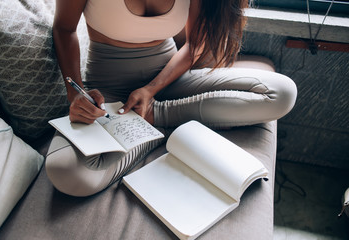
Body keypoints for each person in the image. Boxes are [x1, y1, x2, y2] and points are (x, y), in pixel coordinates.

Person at [46, 0, 297, 197]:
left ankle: (156, 119)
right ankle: (154, 126)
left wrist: (151, 90)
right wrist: (74, 94)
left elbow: (195, 44)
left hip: (170, 80)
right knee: (66, 173)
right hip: (109, 94)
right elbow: (64, 29)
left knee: (282, 93)